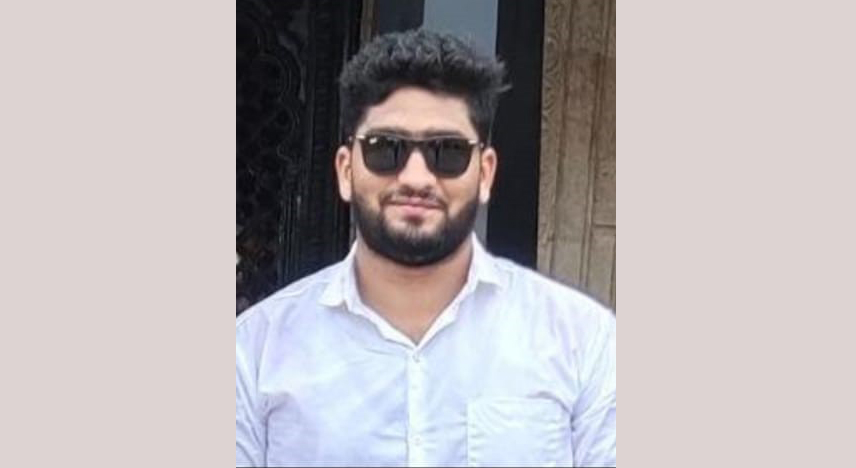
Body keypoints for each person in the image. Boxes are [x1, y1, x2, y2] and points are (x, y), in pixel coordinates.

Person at [236, 29, 616, 467]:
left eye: (447, 152)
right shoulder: (256, 352)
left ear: (485, 173)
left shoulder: (581, 341)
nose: (416, 178)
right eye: (385, 149)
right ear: (345, 170)